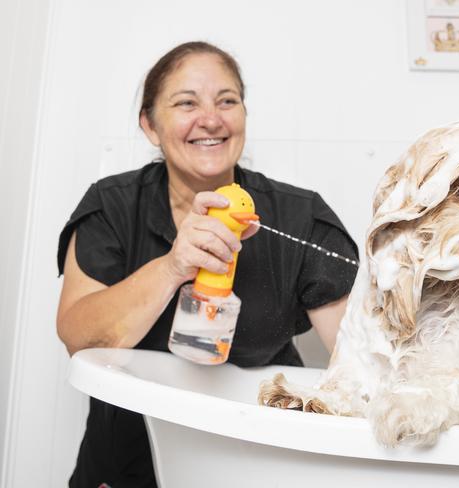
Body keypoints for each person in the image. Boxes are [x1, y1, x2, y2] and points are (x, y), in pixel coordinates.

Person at [56, 41, 358, 488]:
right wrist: (174, 265)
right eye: (186, 103)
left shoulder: (300, 215)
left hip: (258, 463)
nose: (211, 119)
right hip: (126, 464)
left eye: (227, 101)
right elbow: (79, 338)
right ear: (150, 125)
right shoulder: (112, 205)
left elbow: (361, 359)